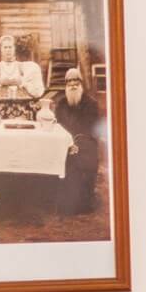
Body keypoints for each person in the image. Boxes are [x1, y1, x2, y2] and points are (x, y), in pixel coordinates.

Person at [50, 69, 102, 214]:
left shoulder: (91, 104)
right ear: (66, 85)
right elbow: (58, 125)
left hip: (85, 143)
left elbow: (91, 128)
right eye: (70, 82)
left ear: (81, 84)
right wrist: (67, 143)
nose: (73, 85)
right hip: (65, 142)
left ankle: (83, 203)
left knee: (81, 160)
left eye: (76, 82)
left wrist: (76, 143)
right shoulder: (61, 104)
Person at [0, 34, 44, 99]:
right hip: (0, 103)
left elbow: (37, 92)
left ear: (14, 49)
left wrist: (21, 81)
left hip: (21, 103)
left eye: (10, 47)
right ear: (1, 49)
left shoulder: (23, 67)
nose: (8, 50)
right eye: (5, 47)